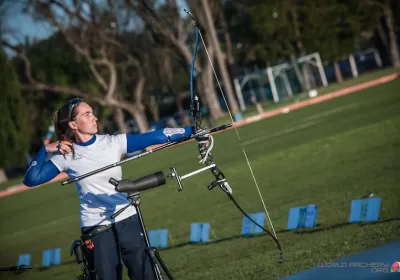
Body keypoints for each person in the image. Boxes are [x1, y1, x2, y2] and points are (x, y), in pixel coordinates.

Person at [23, 98, 196, 280]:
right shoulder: (66, 154)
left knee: (146, 274)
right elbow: (32, 179)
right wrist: (45, 150)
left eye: (92, 113)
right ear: (73, 124)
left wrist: (192, 130)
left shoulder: (112, 142)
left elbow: (157, 136)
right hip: (96, 227)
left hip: (128, 218)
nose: (94, 118)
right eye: (87, 114)